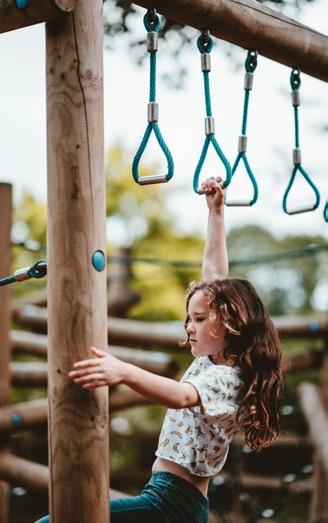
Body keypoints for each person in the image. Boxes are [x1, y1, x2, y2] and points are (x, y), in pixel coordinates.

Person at [35, 177, 283, 523]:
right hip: (168, 499)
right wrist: (216, 214)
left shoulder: (227, 378)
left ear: (229, 323)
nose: (188, 326)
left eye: (198, 319)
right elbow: (214, 275)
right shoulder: (211, 362)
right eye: (188, 318)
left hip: (170, 504)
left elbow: (181, 396)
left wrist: (123, 370)